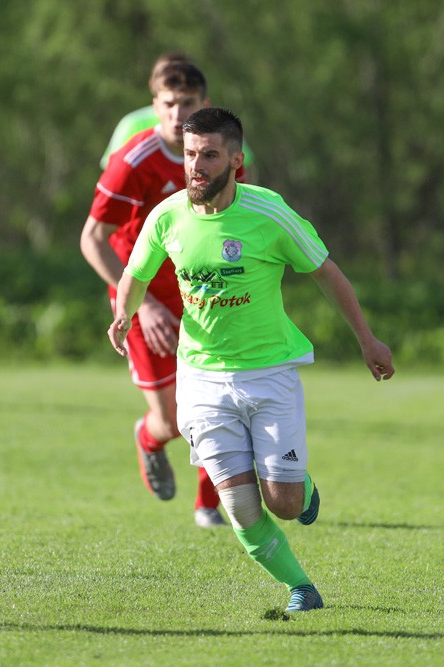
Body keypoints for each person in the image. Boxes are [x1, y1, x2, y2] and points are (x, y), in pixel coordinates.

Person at [109, 107, 394, 612]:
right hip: (201, 380)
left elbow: (326, 272)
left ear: (236, 161)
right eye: (190, 155)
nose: (196, 166)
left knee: (283, 503)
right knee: (240, 505)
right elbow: (135, 272)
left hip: (269, 374)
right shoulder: (168, 216)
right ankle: (301, 588)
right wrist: (124, 314)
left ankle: (300, 488)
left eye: (209, 155)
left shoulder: (269, 212)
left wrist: (367, 340)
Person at [82, 61, 239, 528]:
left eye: (187, 103)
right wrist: (142, 303)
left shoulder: (223, 157)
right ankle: (149, 439)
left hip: (203, 293)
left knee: (218, 402)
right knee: (172, 422)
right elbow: (92, 239)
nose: (177, 114)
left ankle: (209, 504)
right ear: (155, 106)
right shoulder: (133, 161)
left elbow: (234, 221)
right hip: (144, 298)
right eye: (168, 104)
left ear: (204, 105)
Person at [99, 52, 256, 177]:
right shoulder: (133, 123)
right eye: (168, 76)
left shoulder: (222, 126)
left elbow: (244, 172)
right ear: (153, 83)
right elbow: (113, 177)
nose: (177, 113)